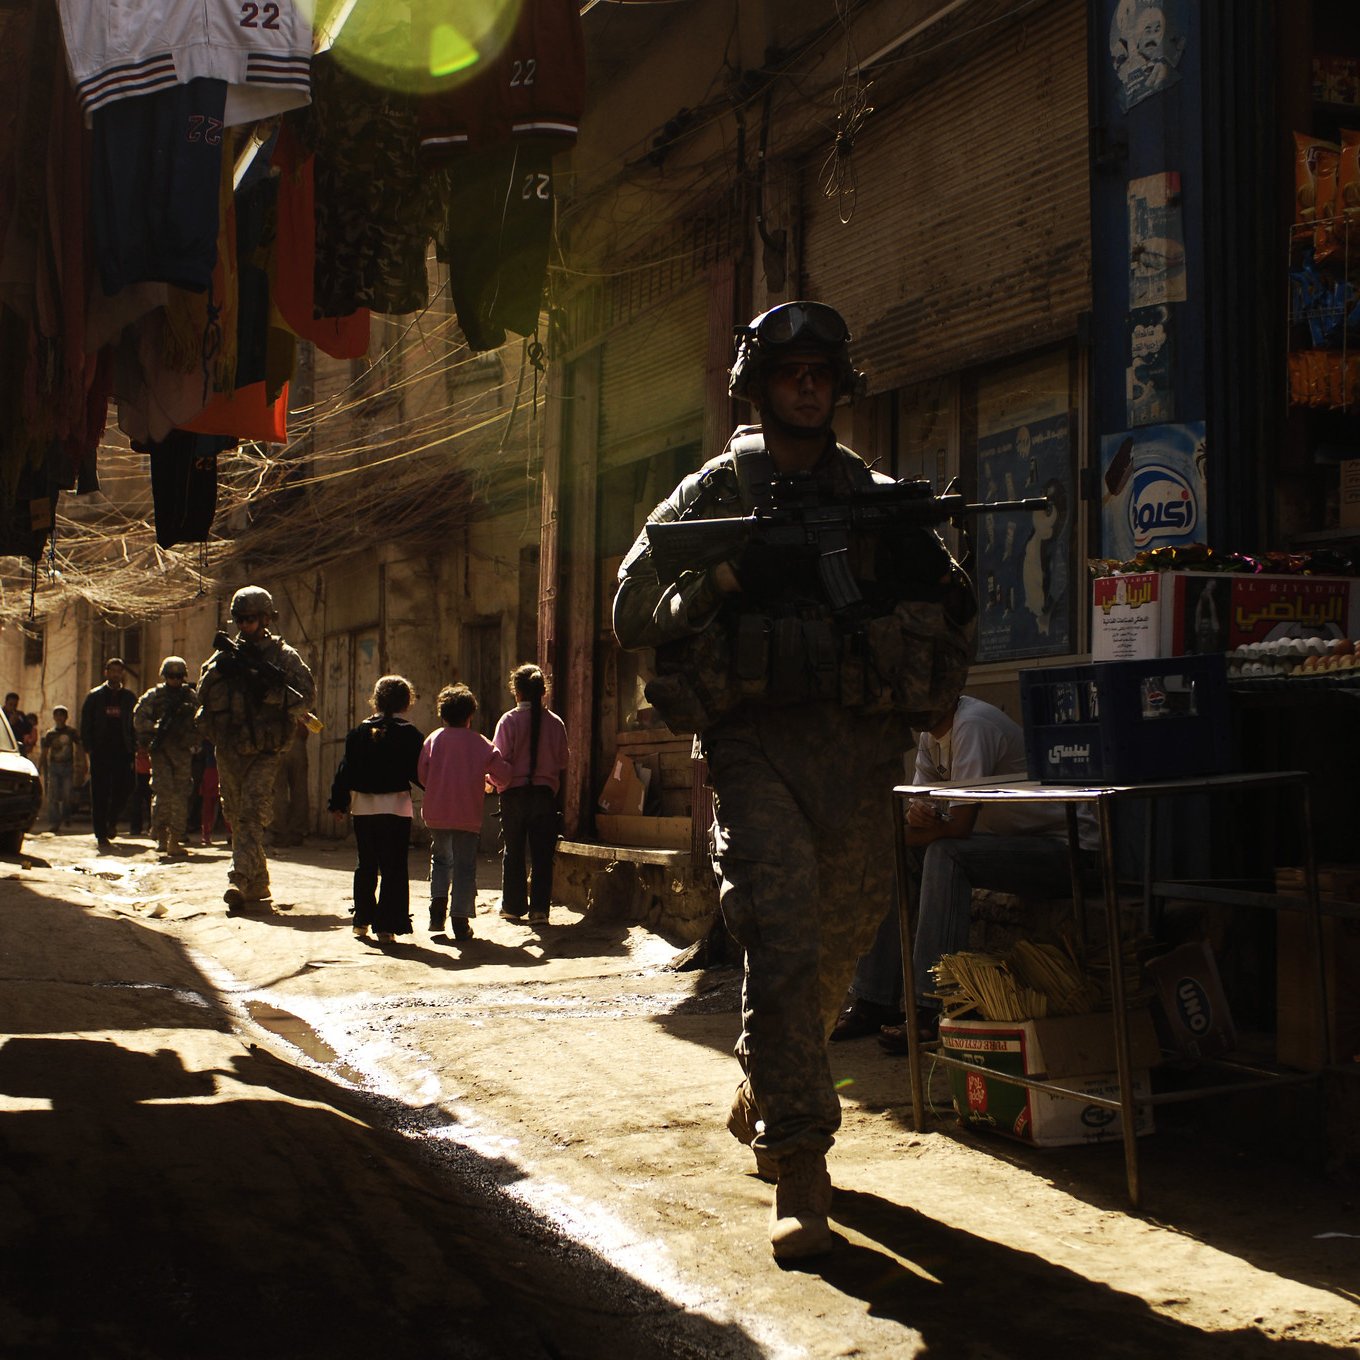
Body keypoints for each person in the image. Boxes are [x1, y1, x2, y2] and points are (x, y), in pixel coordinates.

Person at [613, 300, 976, 1259]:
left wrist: (926, 612)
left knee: (836, 953)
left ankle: (769, 1084)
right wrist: (731, 577)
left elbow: (954, 606)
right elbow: (631, 609)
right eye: (790, 375)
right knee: (780, 938)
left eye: (821, 374)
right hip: (756, 747)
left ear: (839, 384)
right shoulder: (716, 492)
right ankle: (801, 1159)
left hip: (861, 752)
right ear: (759, 387)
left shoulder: (876, 497)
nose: (808, 389)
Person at [830, 695, 1099, 1053]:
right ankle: (873, 999)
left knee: (946, 854)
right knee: (902, 855)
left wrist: (892, 834)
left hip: (1068, 850)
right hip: (1014, 844)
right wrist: (908, 823)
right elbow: (916, 817)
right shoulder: (930, 737)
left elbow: (958, 827)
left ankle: (932, 1007)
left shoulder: (972, 724)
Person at [196, 586, 315, 911]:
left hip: (266, 749)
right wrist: (221, 672)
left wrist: (271, 692)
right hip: (229, 747)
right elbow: (202, 696)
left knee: (250, 814)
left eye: (251, 619)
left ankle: (237, 878)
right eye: (240, 619)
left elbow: (306, 698)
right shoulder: (225, 655)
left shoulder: (284, 657)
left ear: (265, 619)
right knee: (235, 815)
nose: (245, 625)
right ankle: (258, 882)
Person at [328, 675, 425, 943]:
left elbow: (345, 771)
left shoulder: (359, 732)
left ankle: (361, 920)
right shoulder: (410, 734)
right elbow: (420, 772)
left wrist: (338, 803)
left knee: (366, 864)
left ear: (376, 700)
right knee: (393, 866)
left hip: (363, 809)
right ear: (407, 702)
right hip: (396, 808)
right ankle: (386, 926)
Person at [418, 684, 512, 941]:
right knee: (464, 865)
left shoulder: (434, 739)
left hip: (436, 812)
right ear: (470, 715)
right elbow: (504, 774)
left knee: (440, 860)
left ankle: (437, 913)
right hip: (467, 815)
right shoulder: (480, 743)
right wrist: (489, 781)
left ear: (443, 715)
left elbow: (423, 775)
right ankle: (460, 920)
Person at [491, 664, 568, 927]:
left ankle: (513, 907)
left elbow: (499, 761)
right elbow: (563, 760)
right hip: (544, 796)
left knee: (513, 851)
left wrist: (494, 782)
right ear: (543, 692)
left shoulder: (509, 720)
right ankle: (539, 911)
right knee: (542, 854)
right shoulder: (555, 722)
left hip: (513, 795)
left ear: (517, 692)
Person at [132, 656, 199, 856]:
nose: (175, 680)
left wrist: (191, 737)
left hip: (182, 750)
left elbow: (202, 722)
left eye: (178, 676)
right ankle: (161, 837)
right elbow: (138, 719)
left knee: (181, 795)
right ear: (164, 676)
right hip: (161, 751)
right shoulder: (154, 696)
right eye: (171, 676)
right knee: (163, 794)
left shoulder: (190, 697)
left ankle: (175, 839)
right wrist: (156, 728)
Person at [79, 658, 137, 851]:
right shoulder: (95, 697)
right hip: (100, 751)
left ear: (122, 673)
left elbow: (134, 724)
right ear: (106, 672)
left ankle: (112, 819)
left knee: (125, 787)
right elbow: (86, 724)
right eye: (112, 671)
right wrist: (89, 748)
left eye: (118, 671)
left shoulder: (129, 698)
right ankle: (101, 833)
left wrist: (135, 746)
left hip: (123, 751)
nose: (115, 674)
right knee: (99, 792)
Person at [38, 707, 83, 833]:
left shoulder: (71, 732)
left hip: (68, 766)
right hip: (54, 767)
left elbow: (79, 747)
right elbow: (45, 752)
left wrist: (83, 763)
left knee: (67, 794)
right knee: (53, 796)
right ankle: (54, 822)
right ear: (54, 717)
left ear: (66, 717)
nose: (59, 718)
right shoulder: (50, 734)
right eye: (57, 715)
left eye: (61, 715)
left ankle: (67, 816)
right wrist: (39, 766)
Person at [270, 717, 311, 846]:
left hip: (277, 742)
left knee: (278, 790)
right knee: (299, 789)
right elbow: (310, 719)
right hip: (296, 740)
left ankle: (279, 832)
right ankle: (297, 832)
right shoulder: (300, 703)